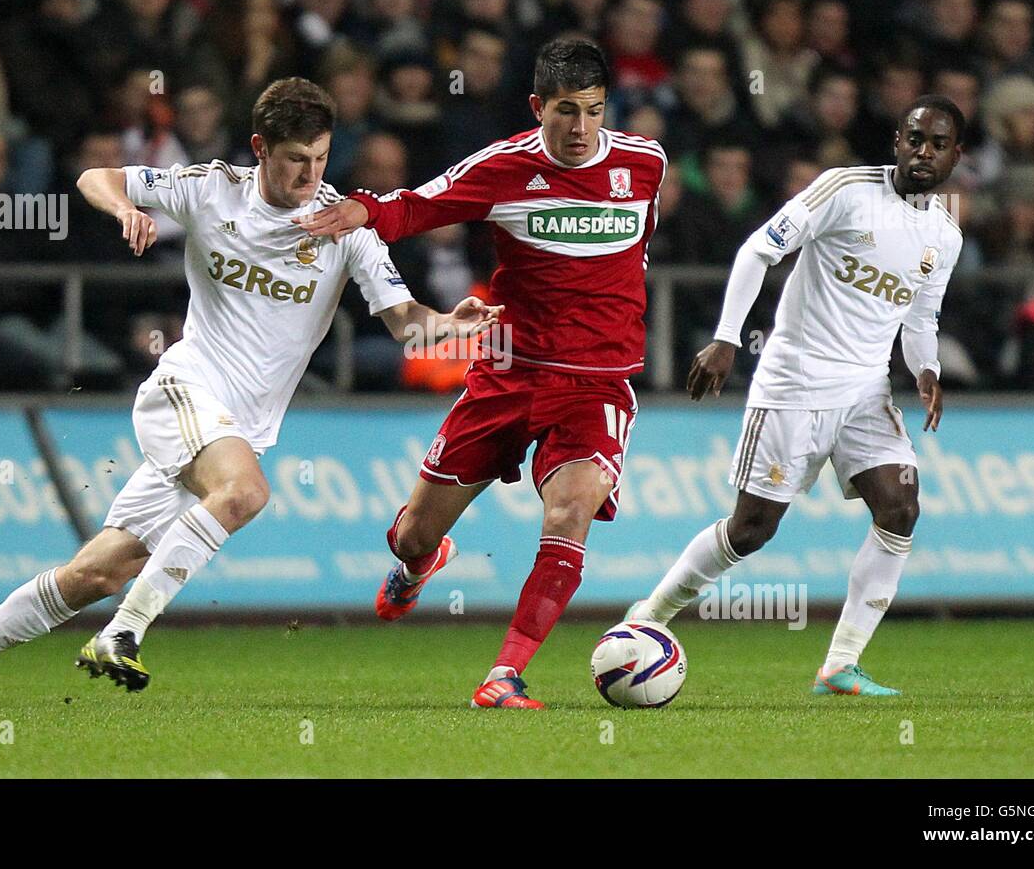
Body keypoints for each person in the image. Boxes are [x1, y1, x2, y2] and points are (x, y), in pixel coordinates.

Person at [0, 77, 501, 706]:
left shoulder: (343, 225)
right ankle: (123, 633)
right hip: (185, 392)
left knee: (95, 572)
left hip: (235, 431)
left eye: (319, 158)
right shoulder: (212, 189)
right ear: (261, 148)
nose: (307, 175)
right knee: (244, 493)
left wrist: (448, 326)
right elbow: (94, 178)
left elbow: (405, 323)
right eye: (295, 159)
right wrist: (128, 209)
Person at [298, 39, 666, 709]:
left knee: (570, 511)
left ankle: (505, 675)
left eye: (591, 111)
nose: (580, 129)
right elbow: (420, 205)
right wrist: (365, 210)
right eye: (564, 112)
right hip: (507, 372)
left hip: (596, 383)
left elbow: (635, 252)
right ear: (537, 107)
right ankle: (420, 563)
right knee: (415, 532)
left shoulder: (645, 163)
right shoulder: (504, 167)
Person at [626, 95, 967, 697]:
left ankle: (840, 665)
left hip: (866, 392)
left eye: (938, 144)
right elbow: (759, 248)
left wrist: (928, 369)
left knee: (900, 507)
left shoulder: (944, 232)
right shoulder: (844, 189)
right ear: (897, 141)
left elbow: (921, 316)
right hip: (796, 383)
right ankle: (648, 616)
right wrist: (727, 338)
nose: (924, 152)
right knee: (752, 530)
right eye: (915, 139)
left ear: (955, 156)